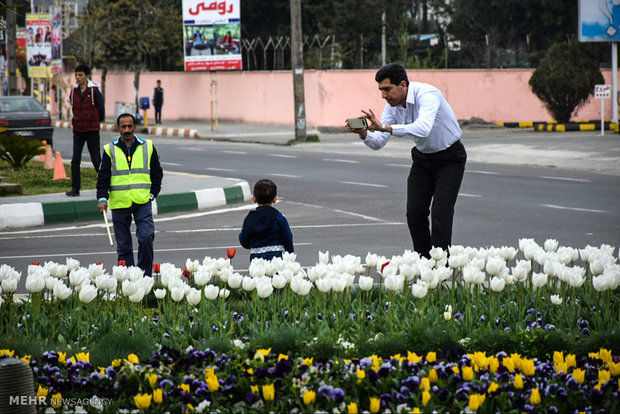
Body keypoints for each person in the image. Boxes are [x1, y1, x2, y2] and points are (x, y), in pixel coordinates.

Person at [346, 63, 467, 258]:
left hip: (449, 158)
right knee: (414, 212)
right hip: (422, 159)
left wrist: (385, 127)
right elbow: (378, 143)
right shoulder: (392, 107)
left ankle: (441, 268)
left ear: (402, 85)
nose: (383, 96)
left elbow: (422, 128)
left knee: (441, 212)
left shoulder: (428, 95)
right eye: (380, 91)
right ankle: (423, 263)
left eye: (387, 89)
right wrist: (364, 134)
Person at [97, 113, 163, 276]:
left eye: (129, 126)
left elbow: (157, 173)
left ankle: (144, 276)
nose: (127, 130)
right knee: (124, 245)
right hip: (119, 203)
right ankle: (128, 280)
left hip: (142, 201)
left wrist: (152, 194)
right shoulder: (109, 149)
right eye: (123, 127)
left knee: (147, 237)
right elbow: (103, 176)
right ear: (118, 128)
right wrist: (102, 198)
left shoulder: (147, 146)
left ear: (134, 127)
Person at [66, 64, 104, 197]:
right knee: (75, 160)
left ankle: (105, 187)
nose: (78, 77)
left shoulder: (94, 91)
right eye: (76, 75)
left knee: (96, 159)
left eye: (81, 75)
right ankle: (75, 188)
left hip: (92, 130)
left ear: (87, 76)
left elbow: (101, 109)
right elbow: (73, 108)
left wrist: (95, 122)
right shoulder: (74, 92)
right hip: (78, 130)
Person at [239, 179, 294, 262]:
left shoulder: (249, 218)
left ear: (254, 199)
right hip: (276, 259)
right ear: (275, 199)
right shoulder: (278, 217)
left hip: (256, 259)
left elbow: (244, 240)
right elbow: (287, 237)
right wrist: (290, 252)